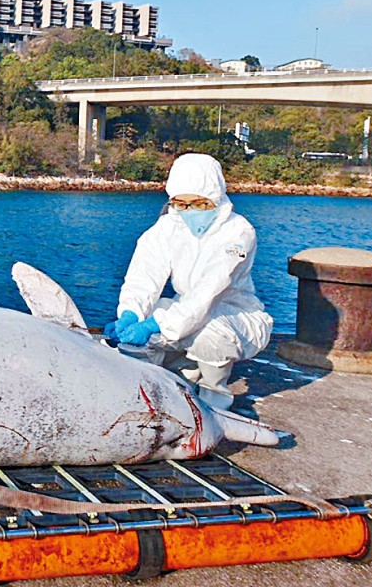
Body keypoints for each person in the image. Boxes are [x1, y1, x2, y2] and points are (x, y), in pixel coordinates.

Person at [103, 153, 272, 410]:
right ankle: (181, 374)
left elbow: (207, 291)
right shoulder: (168, 226)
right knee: (147, 321)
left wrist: (155, 324)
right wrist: (130, 313)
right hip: (188, 310)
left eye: (199, 204)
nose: (188, 211)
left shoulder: (238, 232)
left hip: (234, 314)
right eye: (180, 203)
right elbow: (144, 276)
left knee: (210, 334)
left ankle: (213, 399)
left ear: (214, 197)